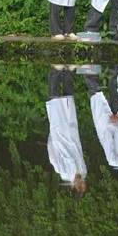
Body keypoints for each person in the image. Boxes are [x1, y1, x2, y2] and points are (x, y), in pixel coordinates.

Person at [46, 66, 87, 198]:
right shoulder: (84, 171)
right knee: (69, 99)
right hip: (72, 132)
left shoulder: (62, 171)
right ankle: (68, 71)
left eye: (79, 187)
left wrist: (54, 135)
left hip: (59, 134)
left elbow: (51, 152)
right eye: (83, 187)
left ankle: (55, 70)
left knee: (55, 99)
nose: (82, 184)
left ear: (73, 186)